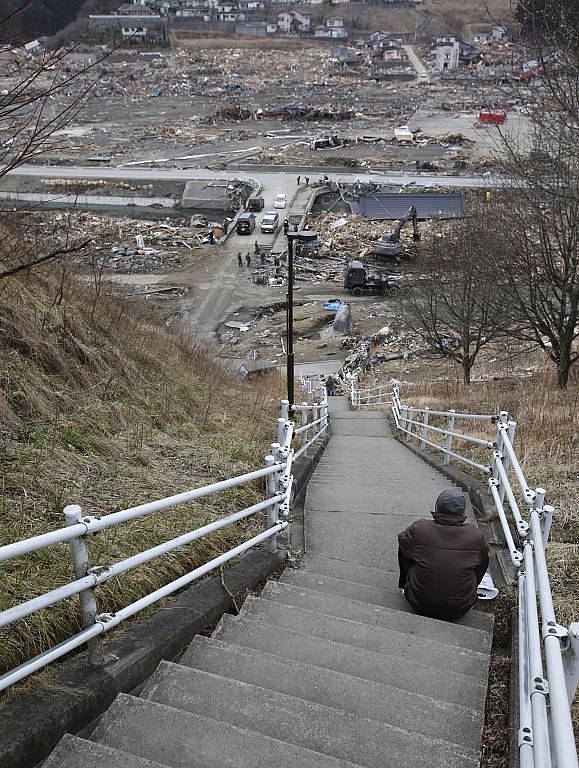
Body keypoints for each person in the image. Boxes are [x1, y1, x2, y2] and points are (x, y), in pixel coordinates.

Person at [397, 489, 489, 621]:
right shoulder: (475, 535)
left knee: (407, 546)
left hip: (418, 602)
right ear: (462, 512)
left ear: (437, 507)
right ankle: (470, 589)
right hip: (460, 608)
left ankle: (404, 585)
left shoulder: (420, 528)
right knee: (482, 556)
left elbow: (403, 542)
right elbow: (482, 562)